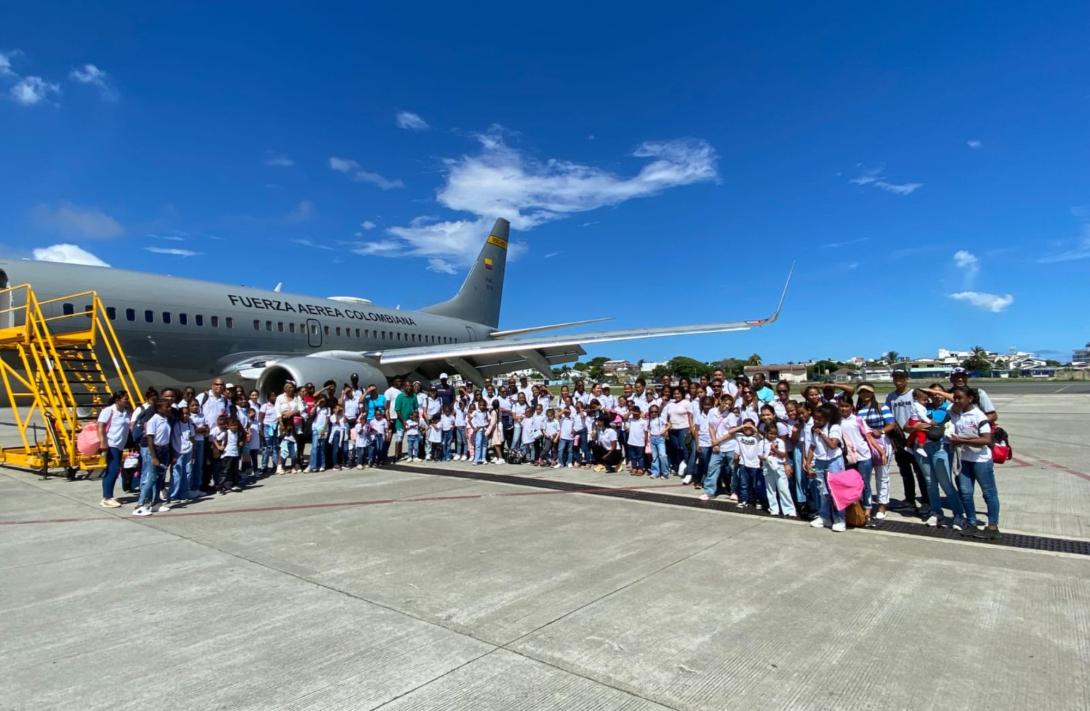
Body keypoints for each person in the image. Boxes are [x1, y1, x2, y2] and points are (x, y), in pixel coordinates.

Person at [949, 385, 1001, 539]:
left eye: (959, 398)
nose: (956, 401)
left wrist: (962, 440)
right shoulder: (955, 413)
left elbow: (986, 439)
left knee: (989, 492)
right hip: (963, 459)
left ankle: (993, 526)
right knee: (965, 492)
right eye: (955, 398)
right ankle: (971, 523)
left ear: (970, 399)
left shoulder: (979, 416)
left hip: (980, 460)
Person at [884, 367, 929, 514]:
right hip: (899, 439)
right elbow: (889, 418)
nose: (898, 380)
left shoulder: (914, 394)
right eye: (896, 377)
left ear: (907, 379)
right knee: (905, 472)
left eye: (901, 377)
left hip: (915, 436)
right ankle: (909, 499)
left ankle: (926, 501)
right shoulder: (890, 397)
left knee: (920, 471)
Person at [853, 383, 893, 521]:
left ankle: (882, 505)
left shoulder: (882, 407)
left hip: (881, 441)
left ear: (873, 392)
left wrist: (881, 431)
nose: (865, 394)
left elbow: (891, 424)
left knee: (882, 475)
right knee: (865, 477)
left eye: (868, 391)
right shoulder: (859, 411)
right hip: (865, 444)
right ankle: (867, 504)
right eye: (862, 392)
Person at [806, 403, 846, 532]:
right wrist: (808, 462)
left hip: (834, 461)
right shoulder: (814, 429)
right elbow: (812, 446)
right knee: (823, 491)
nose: (816, 421)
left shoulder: (834, 428)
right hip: (820, 462)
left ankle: (839, 519)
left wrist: (822, 434)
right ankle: (824, 517)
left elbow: (833, 445)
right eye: (815, 419)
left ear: (827, 419)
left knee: (836, 491)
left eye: (819, 419)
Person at [133, 397, 172, 516]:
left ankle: (156, 503)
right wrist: (154, 457)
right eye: (167, 407)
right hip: (156, 450)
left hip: (164, 449)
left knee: (160, 478)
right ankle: (140, 505)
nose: (169, 409)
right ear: (159, 408)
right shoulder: (153, 420)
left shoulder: (166, 419)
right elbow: (150, 439)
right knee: (151, 477)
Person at [96, 391, 131, 508]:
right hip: (111, 444)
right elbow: (100, 426)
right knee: (113, 469)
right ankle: (106, 498)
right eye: (125, 399)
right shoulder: (109, 410)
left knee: (113, 470)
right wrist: (103, 442)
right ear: (117, 400)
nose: (127, 401)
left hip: (120, 445)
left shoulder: (125, 412)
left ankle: (109, 495)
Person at [760, 424, 796, 517]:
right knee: (770, 489)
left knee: (783, 488)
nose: (773, 435)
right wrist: (766, 457)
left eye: (775, 434)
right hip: (768, 466)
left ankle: (789, 510)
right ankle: (774, 509)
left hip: (779, 466)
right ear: (766, 433)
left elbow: (783, 454)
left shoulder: (779, 441)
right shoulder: (762, 442)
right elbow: (760, 455)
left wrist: (774, 449)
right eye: (771, 433)